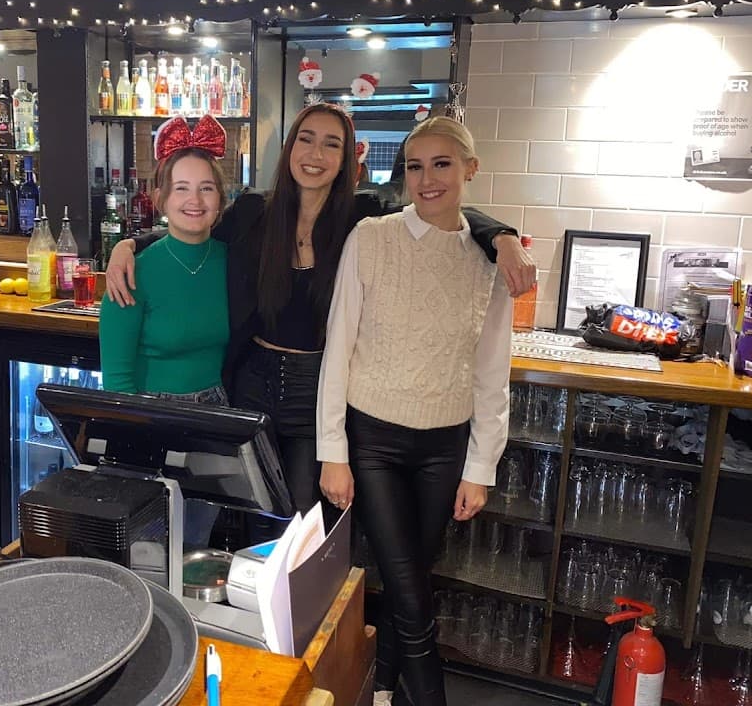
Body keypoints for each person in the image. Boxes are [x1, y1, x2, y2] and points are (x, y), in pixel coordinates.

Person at [106, 103, 532, 518]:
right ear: (290, 148)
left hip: (317, 390)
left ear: (347, 160)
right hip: (250, 384)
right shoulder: (255, 212)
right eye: (306, 139)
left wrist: (501, 235)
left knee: (302, 519)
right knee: (245, 512)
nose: (315, 154)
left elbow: (436, 206)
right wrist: (130, 245)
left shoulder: (363, 219)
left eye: (331, 144)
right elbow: (191, 228)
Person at [317, 116, 511, 706]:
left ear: (470, 170)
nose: (426, 180)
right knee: (409, 590)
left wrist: (482, 466)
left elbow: (491, 368)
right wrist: (334, 451)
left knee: (411, 585)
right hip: (372, 439)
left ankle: (379, 692)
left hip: (444, 445)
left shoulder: (491, 260)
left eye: (442, 164)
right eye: (414, 166)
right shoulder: (371, 239)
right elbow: (338, 345)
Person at [98, 113, 229, 548]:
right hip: (147, 414)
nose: (195, 200)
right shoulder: (133, 271)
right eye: (182, 188)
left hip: (214, 417)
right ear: (160, 198)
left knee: (196, 545)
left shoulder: (237, 262)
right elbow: (116, 378)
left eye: (206, 187)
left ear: (221, 198)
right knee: (148, 548)